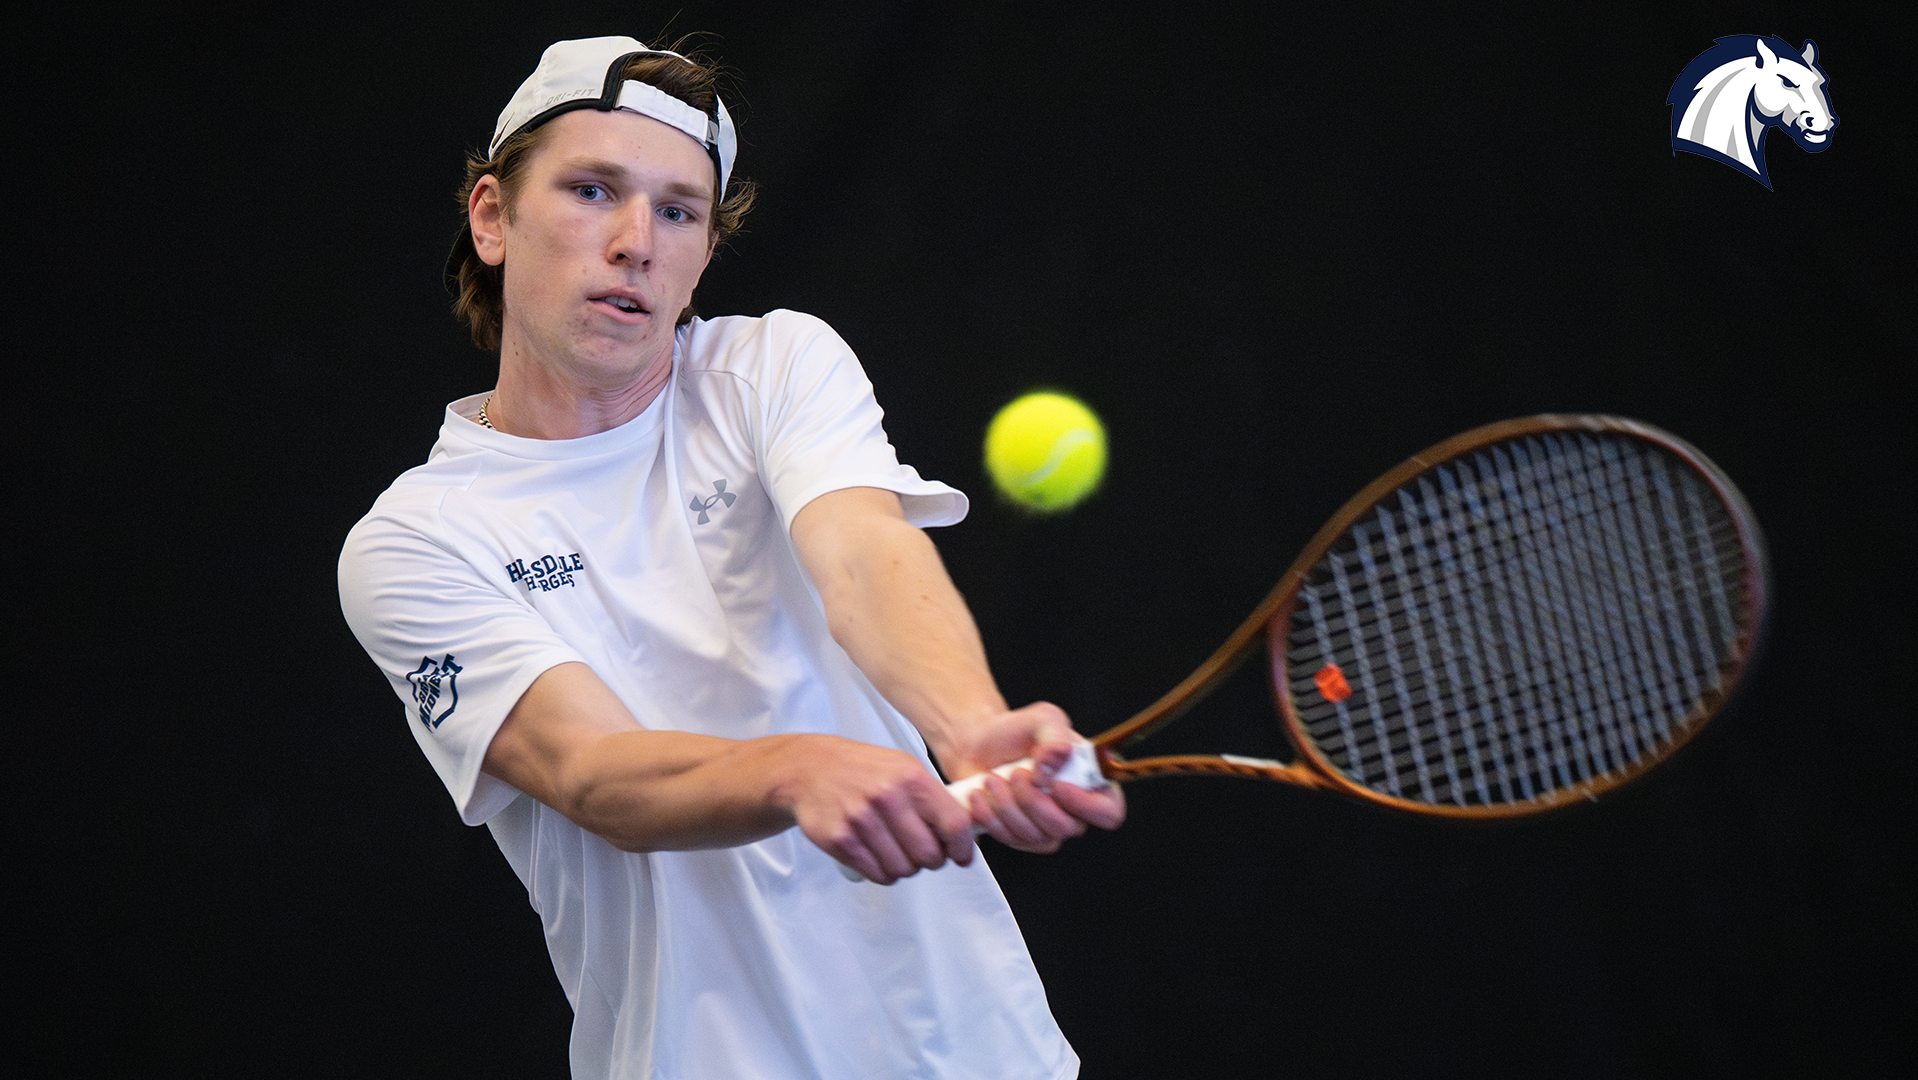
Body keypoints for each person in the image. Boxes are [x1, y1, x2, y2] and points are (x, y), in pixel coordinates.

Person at [338, 35, 1124, 1079]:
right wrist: (793, 770)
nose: (635, 242)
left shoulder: (770, 367)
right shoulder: (416, 541)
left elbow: (862, 556)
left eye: (678, 211)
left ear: (705, 251)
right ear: (492, 217)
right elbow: (593, 772)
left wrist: (972, 729)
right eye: (591, 190)